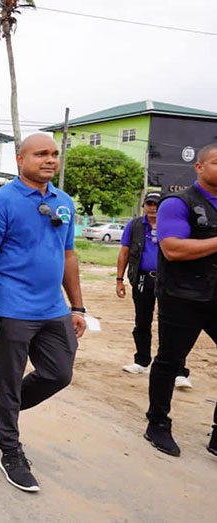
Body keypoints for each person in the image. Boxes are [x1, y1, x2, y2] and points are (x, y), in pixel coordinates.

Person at [0, 134, 87, 493]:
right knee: (8, 382)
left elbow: (68, 256)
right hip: (11, 310)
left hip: (53, 309)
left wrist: (78, 306)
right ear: (20, 158)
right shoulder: (1, 202)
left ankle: (1, 408)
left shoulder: (64, 201)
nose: (50, 160)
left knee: (59, 373)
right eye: (41, 154)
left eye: (54, 154)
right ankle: (11, 451)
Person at [144, 143, 217, 458]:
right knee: (170, 361)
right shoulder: (178, 203)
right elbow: (172, 248)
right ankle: (157, 423)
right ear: (199, 167)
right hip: (182, 297)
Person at [116, 192, 193, 387]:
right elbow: (124, 252)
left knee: (173, 325)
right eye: (149, 204)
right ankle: (141, 361)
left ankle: (179, 371)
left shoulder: (173, 224)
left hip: (169, 280)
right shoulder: (135, 226)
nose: (152, 208)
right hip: (143, 279)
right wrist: (119, 279)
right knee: (142, 321)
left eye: (156, 204)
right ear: (143, 206)